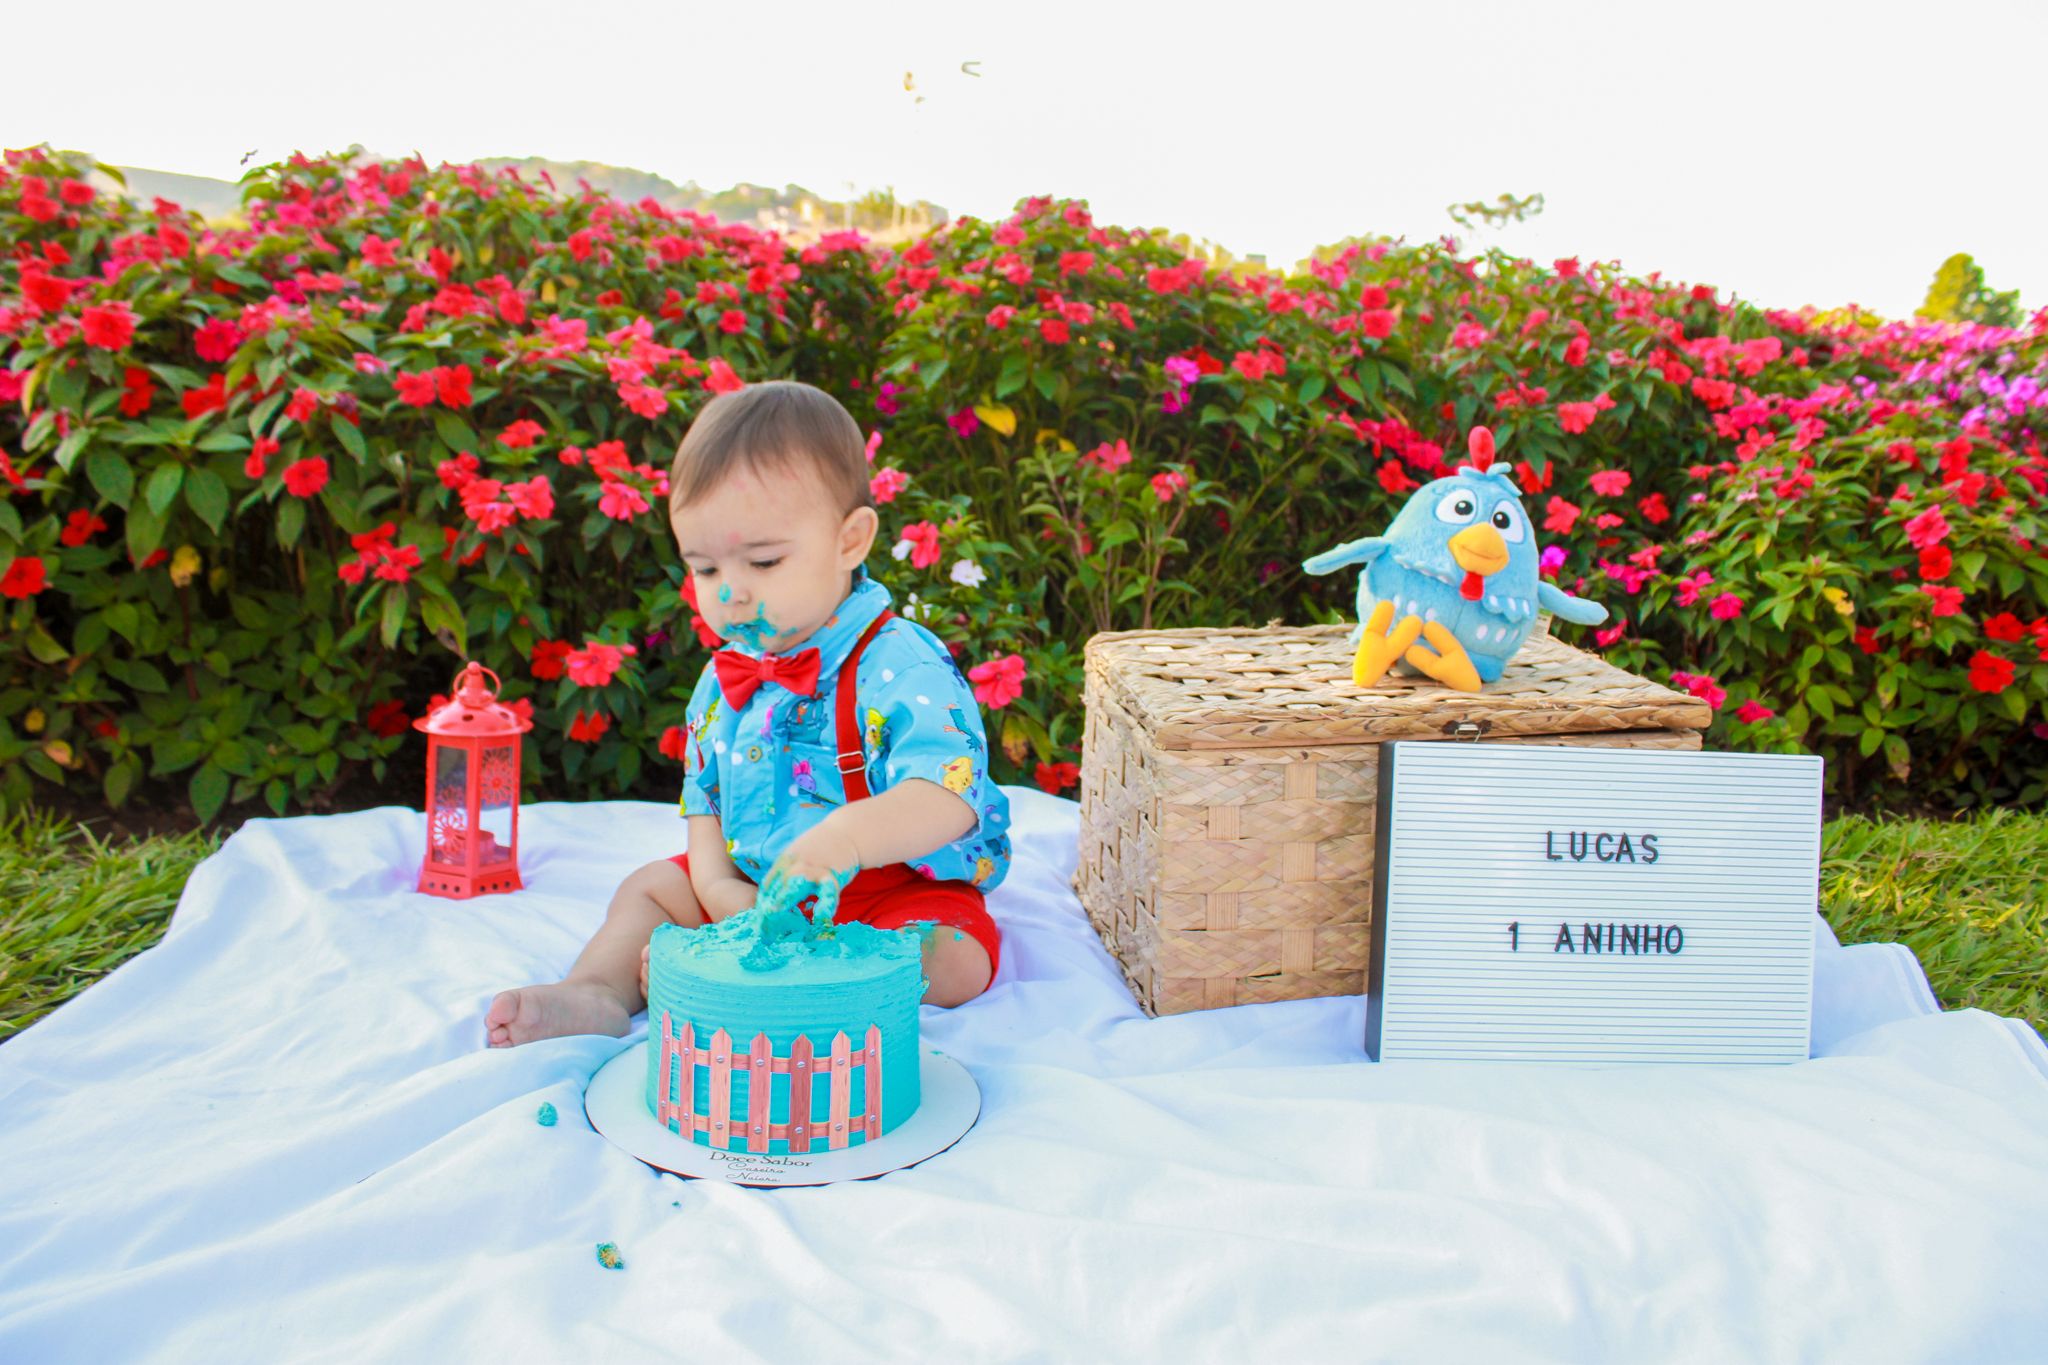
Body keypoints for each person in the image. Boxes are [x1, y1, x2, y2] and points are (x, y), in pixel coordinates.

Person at [486, 381, 1011, 1047]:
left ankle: (817, 974)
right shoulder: (722, 677)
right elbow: (703, 801)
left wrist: (843, 843)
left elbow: (950, 791)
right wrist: (717, 889)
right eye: (704, 568)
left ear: (850, 541)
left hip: (886, 895)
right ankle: (594, 991)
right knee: (649, 889)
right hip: (754, 889)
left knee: (958, 956)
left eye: (763, 560)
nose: (730, 593)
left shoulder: (899, 663)